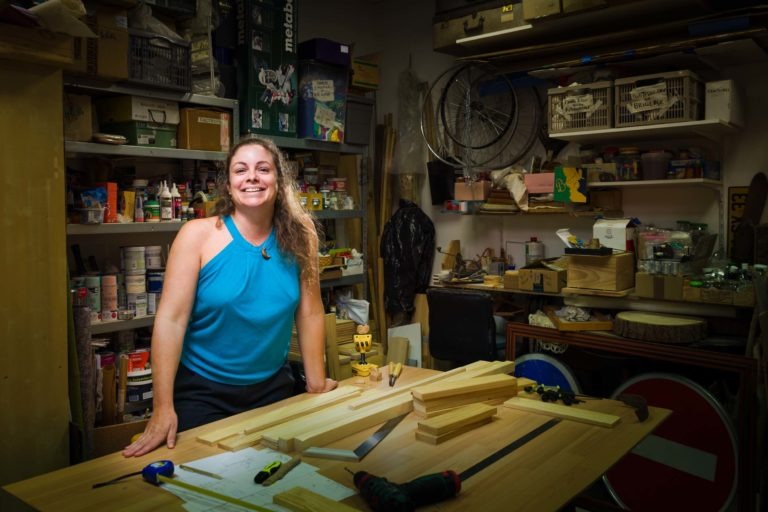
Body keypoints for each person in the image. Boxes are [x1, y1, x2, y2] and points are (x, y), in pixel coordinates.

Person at [123, 136, 337, 457]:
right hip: (203, 393)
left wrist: (316, 382)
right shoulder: (197, 235)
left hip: (273, 387)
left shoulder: (301, 234)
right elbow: (170, 321)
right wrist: (162, 408)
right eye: (241, 170)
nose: (252, 177)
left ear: (279, 180)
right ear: (228, 185)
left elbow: (309, 312)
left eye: (263, 169)